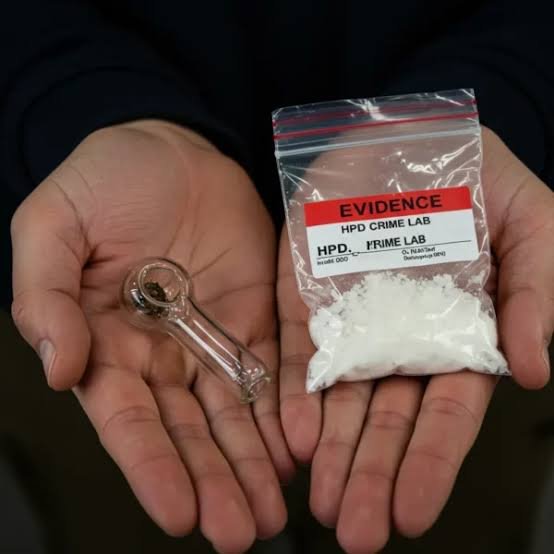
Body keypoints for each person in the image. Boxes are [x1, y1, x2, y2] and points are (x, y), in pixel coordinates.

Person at [2, 1, 554, 553]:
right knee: (145, 512)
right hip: (111, 309)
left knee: (439, 515)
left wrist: (492, 107)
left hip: (479, 256)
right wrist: (81, 105)